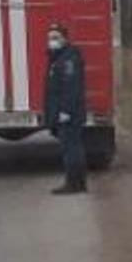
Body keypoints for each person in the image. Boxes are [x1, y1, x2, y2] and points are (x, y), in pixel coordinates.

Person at [44, 22, 87, 195]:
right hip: (65, 112)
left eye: (56, 38)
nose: (52, 41)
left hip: (70, 114)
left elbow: (71, 87)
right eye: (50, 38)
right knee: (70, 148)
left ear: (65, 39)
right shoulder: (58, 58)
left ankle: (74, 183)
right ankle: (77, 183)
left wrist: (66, 111)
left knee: (71, 149)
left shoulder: (68, 59)